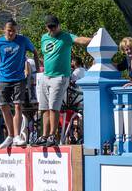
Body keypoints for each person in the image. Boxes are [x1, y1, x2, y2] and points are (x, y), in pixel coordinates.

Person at [37, 15, 93, 146]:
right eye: (50, 27)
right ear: (46, 27)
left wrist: (94, 38)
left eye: (54, 26)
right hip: (46, 76)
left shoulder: (66, 36)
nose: (52, 29)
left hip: (59, 76)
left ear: (59, 25)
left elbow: (80, 40)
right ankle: (44, 136)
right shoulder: (44, 38)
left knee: (53, 107)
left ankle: (52, 136)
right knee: (44, 108)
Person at [0, 19, 40, 150]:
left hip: (19, 78)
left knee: (18, 105)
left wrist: (38, 71)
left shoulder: (23, 40)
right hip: (3, 78)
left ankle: (17, 135)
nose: (11, 33)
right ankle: (10, 134)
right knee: (3, 106)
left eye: (14, 31)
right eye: (9, 30)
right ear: (4, 30)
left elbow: (35, 52)